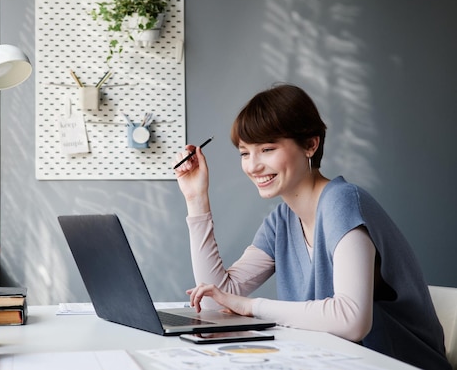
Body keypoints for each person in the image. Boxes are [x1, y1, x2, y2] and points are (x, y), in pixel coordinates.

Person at [173, 84, 450, 369]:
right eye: (245, 153)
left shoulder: (342, 202)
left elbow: (351, 319)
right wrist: (196, 199)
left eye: (267, 149)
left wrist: (252, 307)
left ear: (310, 144)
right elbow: (214, 300)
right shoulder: (281, 221)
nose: (253, 166)